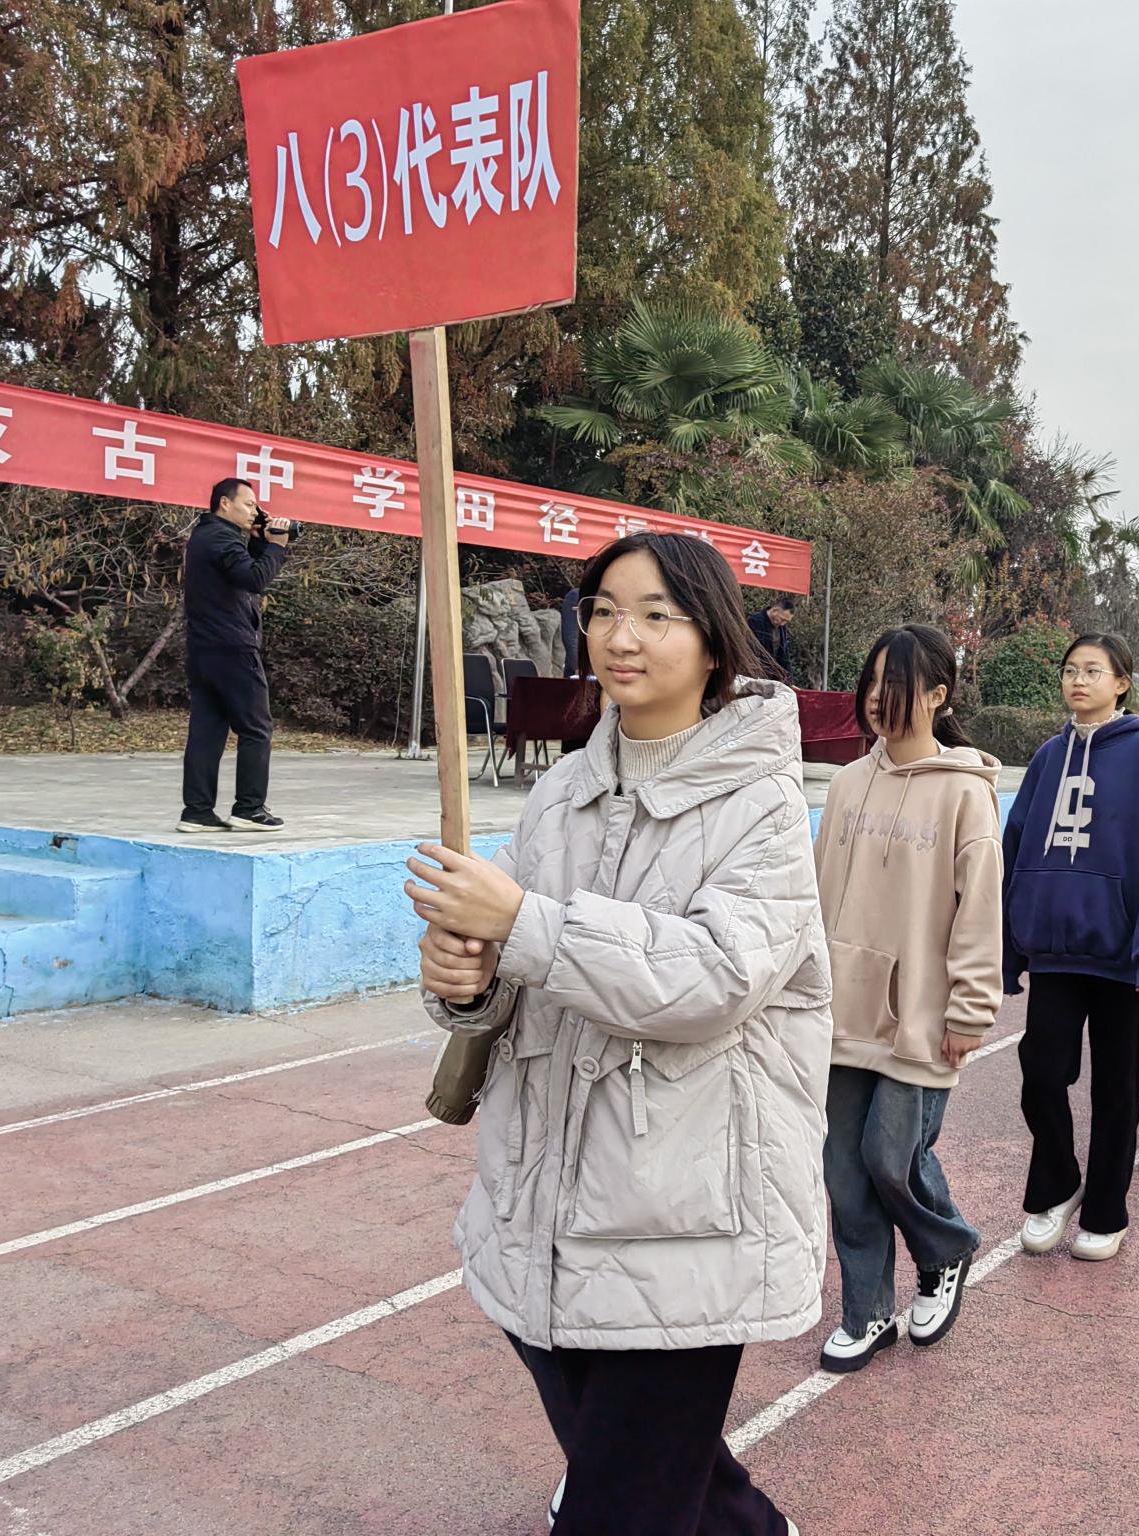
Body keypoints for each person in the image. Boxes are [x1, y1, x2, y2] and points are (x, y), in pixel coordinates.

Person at [407, 532, 828, 1536]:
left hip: (684, 1214)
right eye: (600, 610)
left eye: (652, 614)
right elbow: (512, 982)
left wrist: (524, 926)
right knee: (681, 1488)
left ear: (714, 640)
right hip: (543, 1205)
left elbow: (712, 978)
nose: (616, 636)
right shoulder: (559, 793)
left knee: (618, 1509)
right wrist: (463, 982)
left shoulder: (759, 804)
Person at [813, 624, 1002, 1373]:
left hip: (921, 1013)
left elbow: (980, 910)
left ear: (936, 694)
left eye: (896, 686)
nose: (878, 701)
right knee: (844, 1172)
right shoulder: (847, 782)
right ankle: (866, 1312)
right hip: (841, 1013)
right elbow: (819, 895)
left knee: (892, 1157)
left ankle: (945, 1246)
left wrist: (970, 1008)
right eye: (871, 685)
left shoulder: (966, 794)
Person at [1005, 633, 1139, 1262]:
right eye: (1070, 669)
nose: (1078, 679)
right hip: (1055, 949)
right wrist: (1010, 944)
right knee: (1041, 1073)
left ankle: (1108, 1207)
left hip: (1123, 955)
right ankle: (1057, 1184)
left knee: (1118, 1091)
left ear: (1121, 683)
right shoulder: (1049, 756)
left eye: (1093, 670)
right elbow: (1016, 844)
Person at [179, 477, 292, 834]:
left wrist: (260, 545)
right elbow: (255, 581)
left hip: (204, 649)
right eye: (249, 504)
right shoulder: (223, 539)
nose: (255, 512)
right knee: (257, 728)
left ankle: (197, 812)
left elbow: (242, 574)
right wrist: (277, 546)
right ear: (224, 504)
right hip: (232, 647)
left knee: (207, 731)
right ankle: (250, 808)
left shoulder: (206, 537)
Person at [748, 593, 796, 681]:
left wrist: (789, 680)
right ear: (774, 611)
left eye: (786, 621)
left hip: (773, 676)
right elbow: (752, 651)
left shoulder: (782, 628)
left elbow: (784, 656)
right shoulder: (755, 622)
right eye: (782, 619)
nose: (783, 623)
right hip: (757, 675)